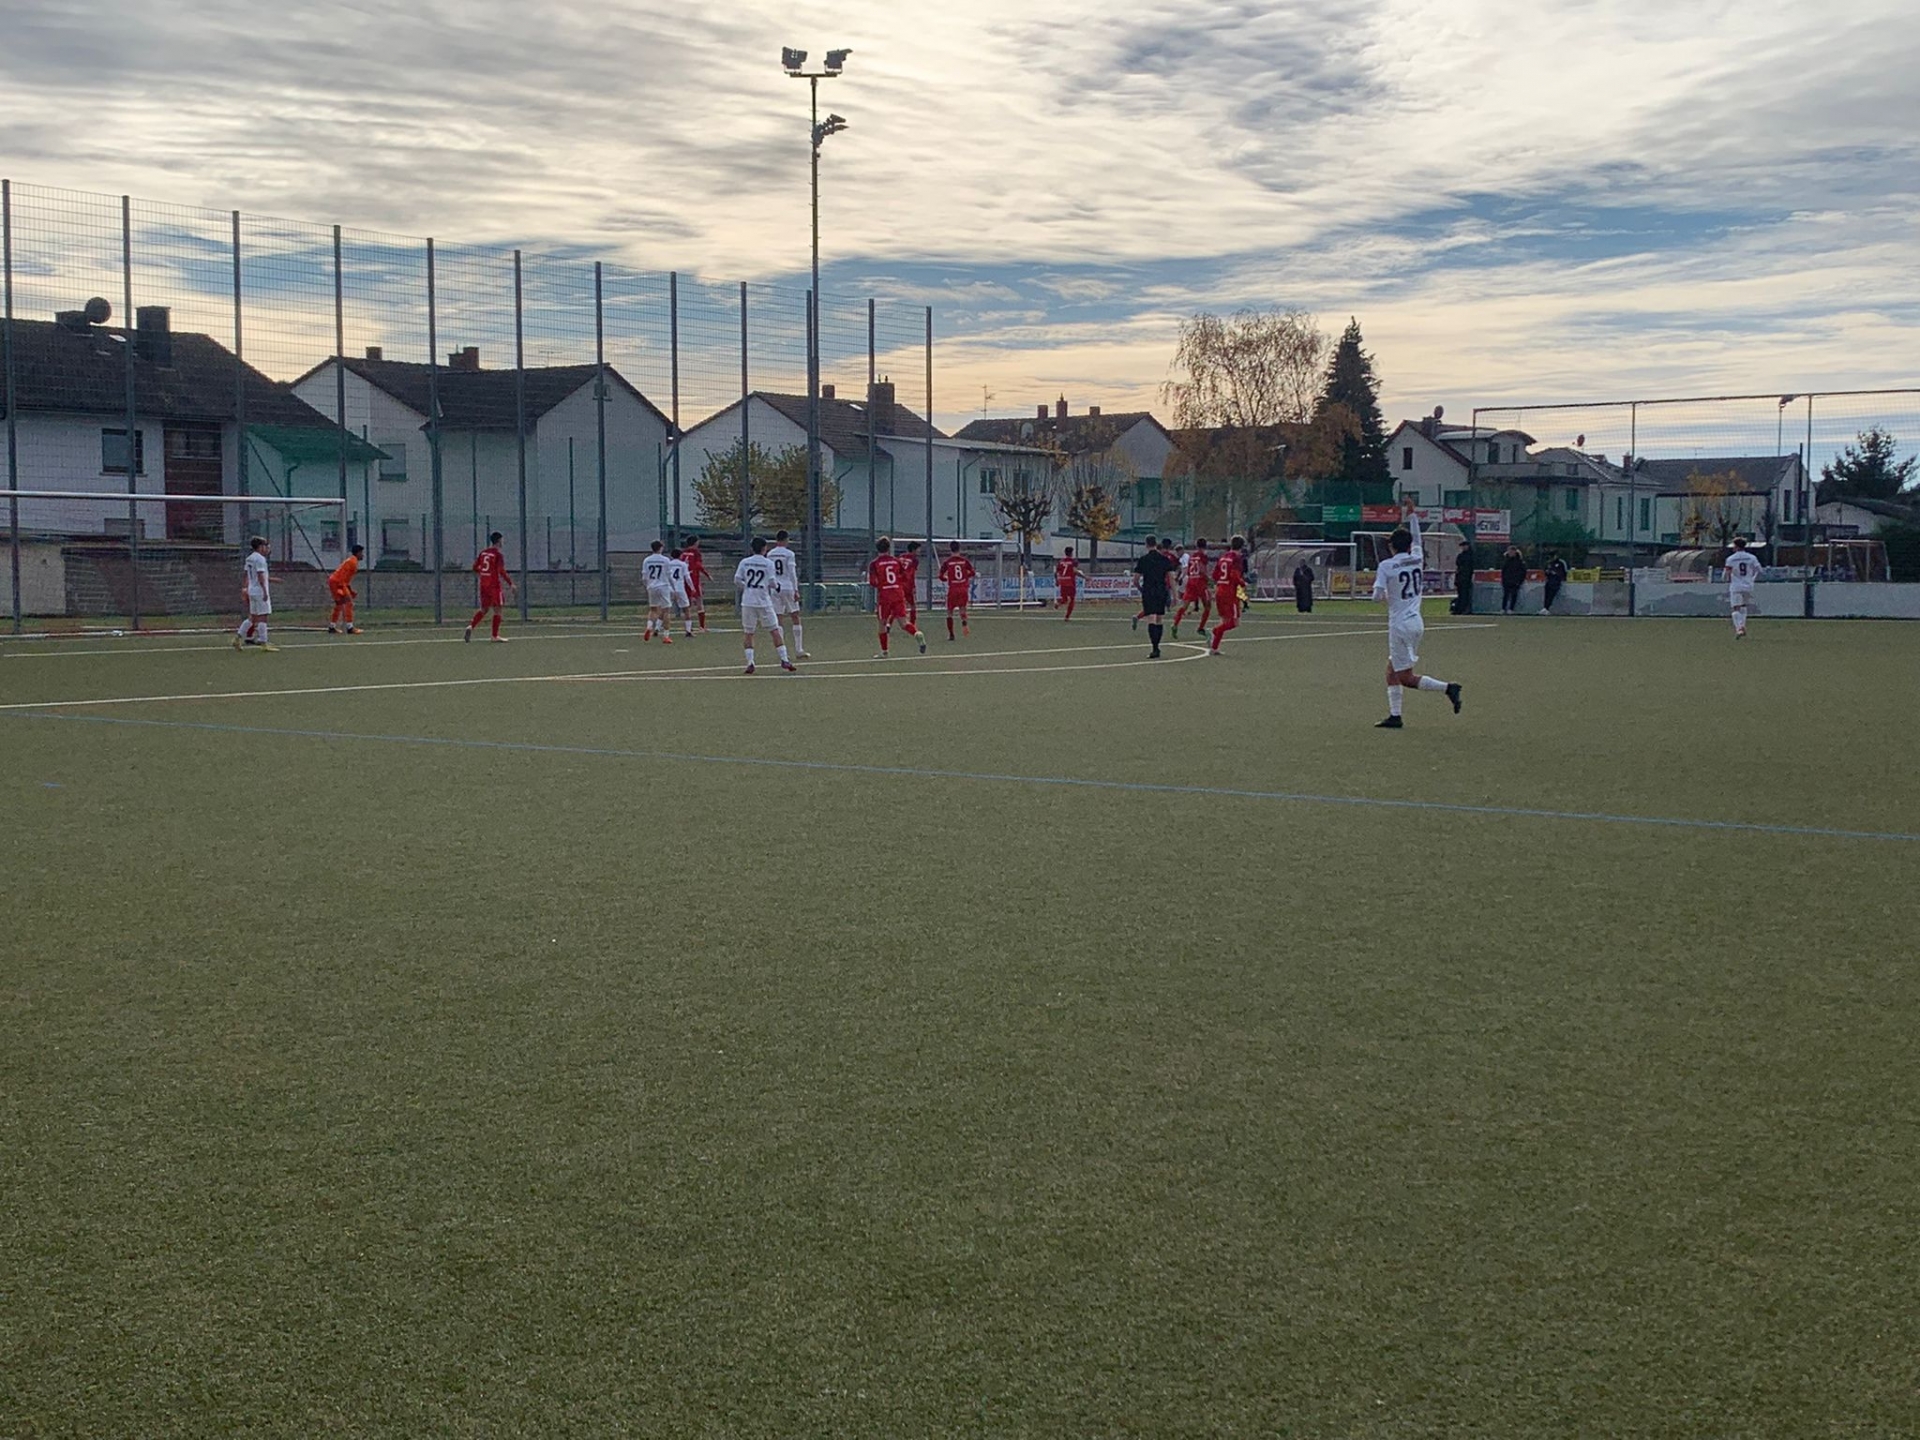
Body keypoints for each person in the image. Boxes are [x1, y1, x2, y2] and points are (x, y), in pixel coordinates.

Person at [1371, 500, 1462, 727]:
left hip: (1399, 625)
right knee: (1392, 670)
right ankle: (1395, 716)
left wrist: (1385, 595)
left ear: (1391, 546)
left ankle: (1448, 688)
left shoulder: (1386, 566)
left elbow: (1376, 596)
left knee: (1405, 677)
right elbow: (1418, 540)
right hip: (1417, 623)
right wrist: (1412, 516)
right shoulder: (1417, 558)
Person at [733, 537, 796, 674]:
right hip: (763, 601)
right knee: (774, 630)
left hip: (748, 601)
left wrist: (747, 587)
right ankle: (784, 659)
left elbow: (737, 579)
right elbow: (772, 582)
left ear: (752, 548)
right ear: (764, 548)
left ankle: (750, 662)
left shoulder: (745, 562)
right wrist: (776, 586)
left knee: (749, 632)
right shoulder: (768, 563)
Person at [868, 537, 927, 658]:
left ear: (877, 549)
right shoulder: (896, 561)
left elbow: (873, 582)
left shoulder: (874, 564)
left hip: (885, 596)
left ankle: (884, 652)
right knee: (904, 623)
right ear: (889, 548)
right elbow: (904, 577)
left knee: (882, 623)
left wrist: (882, 583)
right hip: (898, 593)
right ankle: (917, 633)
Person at [1132, 536, 1180, 658]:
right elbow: (1171, 578)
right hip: (1161, 590)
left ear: (1146, 544)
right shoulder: (1164, 559)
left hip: (1149, 590)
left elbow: (1135, 580)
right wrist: (1175, 595)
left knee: (1151, 618)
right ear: (1156, 544)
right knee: (1159, 619)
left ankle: (1154, 648)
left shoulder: (1143, 560)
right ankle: (1157, 646)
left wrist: (1141, 589)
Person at [465, 531, 516, 642]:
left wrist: (484, 572)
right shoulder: (498, 555)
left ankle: (471, 626)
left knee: (484, 609)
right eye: (502, 540)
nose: (503, 542)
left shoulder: (483, 553)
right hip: (494, 585)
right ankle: (494, 636)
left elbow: (475, 567)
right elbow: (501, 571)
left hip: (484, 584)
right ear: (499, 541)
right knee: (498, 609)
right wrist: (510, 583)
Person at [232, 535, 278, 652]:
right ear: (260, 547)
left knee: (252, 617)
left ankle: (238, 638)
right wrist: (265, 591)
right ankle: (264, 642)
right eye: (265, 546)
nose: (266, 548)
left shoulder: (250, 558)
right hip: (259, 591)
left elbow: (246, 574)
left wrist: (245, 588)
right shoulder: (260, 559)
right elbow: (260, 575)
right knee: (263, 617)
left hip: (252, 590)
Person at [768, 529, 808, 658]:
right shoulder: (789, 554)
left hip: (775, 588)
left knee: (778, 618)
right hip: (787, 587)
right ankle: (799, 649)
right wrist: (796, 589)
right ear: (786, 540)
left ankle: (783, 651)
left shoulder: (770, 554)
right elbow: (792, 572)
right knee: (795, 616)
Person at [1207, 535, 1248, 656]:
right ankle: (1214, 631)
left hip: (1220, 590)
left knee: (1225, 620)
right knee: (1234, 622)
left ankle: (1214, 648)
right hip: (1230, 593)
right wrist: (1242, 583)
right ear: (1241, 546)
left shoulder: (1223, 557)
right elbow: (1234, 575)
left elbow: (1214, 575)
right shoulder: (1236, 558)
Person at [1172, 538, 1211, 638]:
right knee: (1207, 606)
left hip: (1191, 581)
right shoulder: (1203, 556)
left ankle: (1175, 624)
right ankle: (1201, 628)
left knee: (1185, 606)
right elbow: (1202, 569)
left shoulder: (1192, 556)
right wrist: (1208, 579)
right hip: (1200, 583)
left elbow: (1189, 570)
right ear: (1205, 546)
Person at [1725, 536, 1763, 638]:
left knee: (1735, 608)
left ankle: (1739, 628)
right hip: (1748, 586)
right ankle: (1743, 626)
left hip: (1736, 586)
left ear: (1736, 546)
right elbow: (1759, 570)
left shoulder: (1731, 559)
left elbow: (1727, 574)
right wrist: (1752, 579)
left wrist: (1728, 580)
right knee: (1743, 606)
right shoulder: (1751, 557)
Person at [938, 541, 977, 640]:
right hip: (963, 588)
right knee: (962, 609)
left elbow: (940, 576)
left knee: (949, 612)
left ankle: (951, 634)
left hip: (953, 589)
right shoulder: (964, 561)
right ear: (959, 549)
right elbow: (973, 572)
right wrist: (965, 576)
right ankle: (964, 622)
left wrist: (947, 578)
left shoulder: (947, 562)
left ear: (950, 549)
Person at [641, 539, 676, 644]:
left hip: (652, 586)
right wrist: (674, 588)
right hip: (663, 586)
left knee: (653, 610)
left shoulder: (647, 560)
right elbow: (669, 575)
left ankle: (649, 627)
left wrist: (648, 586)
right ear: (660, 548)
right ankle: (666, 636)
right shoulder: (665, 560)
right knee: (666, 611)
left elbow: (644, 576)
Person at [326, 544, 364, 634]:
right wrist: (341, 589)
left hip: (336, 582)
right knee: (348, 603)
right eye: (361, 553)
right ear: (358, 553)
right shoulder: (352, 562)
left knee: (339, 604)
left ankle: (332, 627)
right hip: (337, 582)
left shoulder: (352, 561)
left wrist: (349, 590)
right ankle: (350, 628)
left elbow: (345, 578)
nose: (363, 555)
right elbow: (343, 577)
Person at [679, 536, 709, 632]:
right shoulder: (696, 552)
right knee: (699, 601)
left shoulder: (683, 552)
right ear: (696, 542)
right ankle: (702, 626)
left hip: (684, 579)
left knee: (688, 603)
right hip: (694, 579)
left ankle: (689, 626)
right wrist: (707, 574)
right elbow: (698, 565)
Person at [668, 550, 695, 637]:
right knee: (686, 609)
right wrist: (692, 588)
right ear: (680, 555)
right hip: (680, 588)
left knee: (665, 609)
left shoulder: (668, 564)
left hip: (670, 588)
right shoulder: (683, 564)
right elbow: (687, 577)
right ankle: (688, 631)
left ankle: (657, 628)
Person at [900, 540, 924, 629]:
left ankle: (888, 625)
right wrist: (913, 586)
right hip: (907, 584)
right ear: (914, 549)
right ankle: (912, 624)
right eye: (918, 549)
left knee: (898, 605)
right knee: (913, 605)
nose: (919, 551)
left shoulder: (901, 557)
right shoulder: (914, 560)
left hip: (899, 583)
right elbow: (911, 574)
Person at [1055, 546, 1079, 620]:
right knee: (1072, 599)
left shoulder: (1061, 561)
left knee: (1064, 600)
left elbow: (1056, 572)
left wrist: (1057, 581)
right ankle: (1067, 617)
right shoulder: (1073, 561)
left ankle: (1058, 603)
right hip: (1070, 581)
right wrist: (1085, 577)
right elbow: (1075, 571)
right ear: (1071, 553)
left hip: (1062, 581)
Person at [1500, 547, 1526, 614]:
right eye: (1509, 551)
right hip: (1506, 581)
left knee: (1514, 595)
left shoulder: (1520, 561)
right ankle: (1503, 608)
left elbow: (1523, 572)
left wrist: (1519, 581)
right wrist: (1503, 580)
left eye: (1512, 551)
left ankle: (1511, 609)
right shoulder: (1506, 560)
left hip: (1515, 581)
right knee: (1505, 595)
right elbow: (1503, 571)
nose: (1510, 553)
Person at [1452, 544, 1476, 616]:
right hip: (1460, 578)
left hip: (1467, 578)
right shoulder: (1460, 555)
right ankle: (1459, 608)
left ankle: (1465, 609)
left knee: (1466, 595)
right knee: (1460, 594)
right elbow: (1458, 564)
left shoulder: (1470, 556)